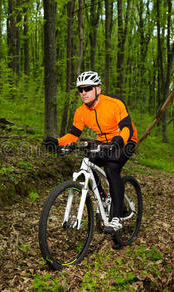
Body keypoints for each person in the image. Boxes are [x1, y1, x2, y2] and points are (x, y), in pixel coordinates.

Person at [44, 71, 137, 233]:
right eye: (80, 90)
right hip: (103, 141)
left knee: (111, 168)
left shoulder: (114, 104)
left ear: (98, 89)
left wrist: (119, 141)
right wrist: (58, 142)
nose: (83, 93)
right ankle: (102, 197)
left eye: (87, 88)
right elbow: (73, 135)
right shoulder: (81, 111)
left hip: (125, 140)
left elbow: (127, 128)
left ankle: (117, 218)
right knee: (88, 158)